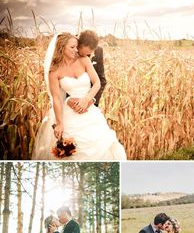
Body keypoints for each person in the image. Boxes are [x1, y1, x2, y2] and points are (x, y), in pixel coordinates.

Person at [32, 33, 126, 161]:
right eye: (72, 47)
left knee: (101, 146)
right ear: (62, 48)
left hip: (90, 111)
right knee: (70, 153)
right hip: (69, 113)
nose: (76, 50)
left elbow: (98, 82)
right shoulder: (54, 71)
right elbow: (56, 98)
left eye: (76, 47)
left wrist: (87, 99)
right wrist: (59, 123)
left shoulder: (84, 60)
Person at [77, 29, 106, 105]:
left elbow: (102, 80)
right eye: (83, 54)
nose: (86, 57)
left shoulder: (98, 51)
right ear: (79, 45)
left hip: (91, 102)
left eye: (88, 54)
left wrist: (92, 100)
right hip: (72, 101)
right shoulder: (71, 50)